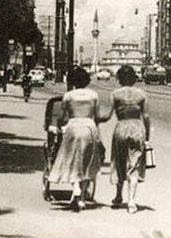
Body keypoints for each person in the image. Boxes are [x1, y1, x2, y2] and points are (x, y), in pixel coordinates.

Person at [48, 66, 102, 211]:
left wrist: (59, 127)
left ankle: (76, 188)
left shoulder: (68, 96)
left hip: (73, 127)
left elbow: (61, 117)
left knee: (72, 160)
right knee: (87, 162)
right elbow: (97, 116)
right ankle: (82, 198)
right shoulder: (93, 95)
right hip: (89, 127)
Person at [100, 65, 151, 214]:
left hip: (121, 127)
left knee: (119, 162)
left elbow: (108, 115)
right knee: (134, 166)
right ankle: (132, 202)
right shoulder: (142, 94)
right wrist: (147, 135)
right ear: (134, 78)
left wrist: (95, 118)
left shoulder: (115, 94)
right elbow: (146, 117)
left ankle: (118, 196)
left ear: (120, 78)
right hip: (137, 128)